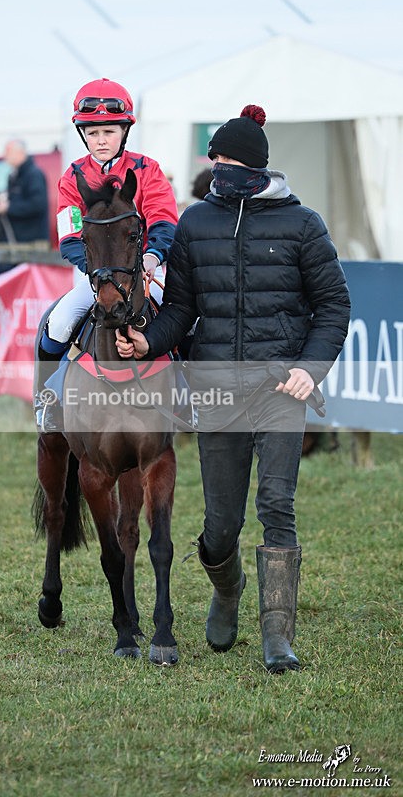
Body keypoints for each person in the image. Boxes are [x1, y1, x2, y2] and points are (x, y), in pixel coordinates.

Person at [116, 105, 351, 673]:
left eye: (222, 160)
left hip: (280, 391)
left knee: (277, 506)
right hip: (217, 389)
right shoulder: (197, 222)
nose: (215, 170)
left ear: (249, 165)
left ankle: (278, 638)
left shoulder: (303, 224)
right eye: (212, 162)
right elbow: (180, 309)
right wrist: (149, 342)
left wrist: (309, 369)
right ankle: (228, 590)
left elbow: (333, 306)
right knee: (220, 528)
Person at [35, 77, 178, 430]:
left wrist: (152, 257)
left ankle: (192, 401)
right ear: (83, 135)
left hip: (145, 272)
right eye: (93, 133)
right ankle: (46, 401)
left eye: (109, 132)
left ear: (124, 131)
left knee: (184, 322)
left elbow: (164, 220)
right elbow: (69, 236)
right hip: (95, 277)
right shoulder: (72, 176)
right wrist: (98, 272)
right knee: (58, 322)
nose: (101, 140)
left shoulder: (148, 170)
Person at [0, 139, 48, 243]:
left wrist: (9, 208)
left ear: (20, 153)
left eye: (8, 152)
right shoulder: (14, 175)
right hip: (15, 238)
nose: (5, 156)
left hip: (31, 240)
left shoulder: (33, 175)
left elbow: (37, 205)